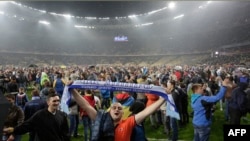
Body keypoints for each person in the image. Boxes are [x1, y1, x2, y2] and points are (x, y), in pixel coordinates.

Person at [70, 87, 169, 141]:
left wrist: (164, 97)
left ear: (122, 113)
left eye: (119, 108)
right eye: (114, 107)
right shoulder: (101, 119)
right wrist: (72, 89)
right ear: (109, 110)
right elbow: (85, 106)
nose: (116, 109)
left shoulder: (128, 123)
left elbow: (147, 111)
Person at [3, 89, 70, 141]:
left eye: (58, 101)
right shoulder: (39, 115)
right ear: (48, 102)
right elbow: (26, 126)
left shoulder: (62, 115)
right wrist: (13, 130)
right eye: (54, 101)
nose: (57, 103)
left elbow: (65, 133)